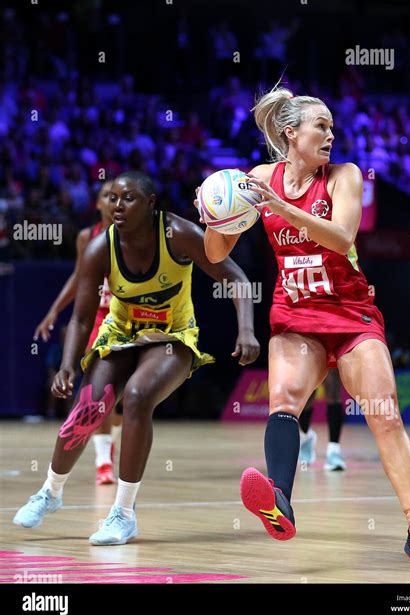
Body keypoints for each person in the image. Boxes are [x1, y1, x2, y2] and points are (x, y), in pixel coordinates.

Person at [201, 88, 410, 571]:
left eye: (333, 128)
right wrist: (215, 216)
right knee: (285, 400)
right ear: (291, 133)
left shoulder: (344, 177)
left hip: (349, 313)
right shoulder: (256, 179)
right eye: (322, 127)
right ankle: (279, 501)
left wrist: (280, 205)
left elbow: (341, 238)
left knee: (384, 414)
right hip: (295, 314)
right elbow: (215, 253)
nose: (332, 136)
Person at [14, 171, 260, 545]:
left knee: (137, 397)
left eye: (128, 199)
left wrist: (245, 330)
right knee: (89, 408)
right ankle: (50, 492)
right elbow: (81, 317)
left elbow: (237, 279)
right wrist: (66, 366)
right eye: (112, 198)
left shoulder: (178, 234)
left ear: (150, 204)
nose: (117, 205)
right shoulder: (100, 247)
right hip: (122, 334)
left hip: (171, 337)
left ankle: (123, 515)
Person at [34, 180, 122, 485]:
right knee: (99, 390)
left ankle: (110, 445)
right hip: (100, 316)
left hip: (130, 315)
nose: (113, 202)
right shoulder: (88, 237)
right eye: (107, 196)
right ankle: (103, 463)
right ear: (97, 204)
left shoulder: (137, 234)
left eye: (119, 197)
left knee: (121, 400)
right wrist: (54, 310)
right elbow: (78, 276)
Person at [298, 369, 347, 470]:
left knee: (333, 390)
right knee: (307, 394)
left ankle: (334, 451)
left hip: (331, 354)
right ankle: (306, 436)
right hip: (310, 353)